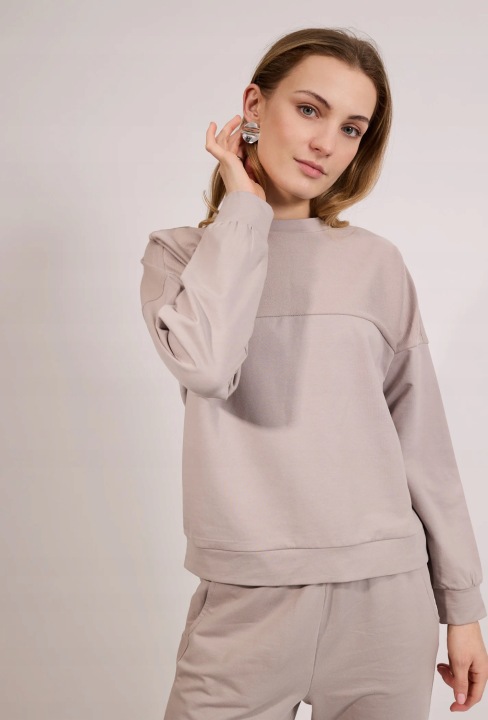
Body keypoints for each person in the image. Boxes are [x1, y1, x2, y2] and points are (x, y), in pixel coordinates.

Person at [139, 27, 488, 719]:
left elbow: (423, 442)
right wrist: (244, 209)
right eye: (309, 110)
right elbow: (208, 366)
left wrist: (463, 606)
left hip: (386, 601)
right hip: (247, 602)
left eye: (352, 128)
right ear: (254, 106)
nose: (327, 142)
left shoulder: (376, 262)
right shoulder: (179, 257)